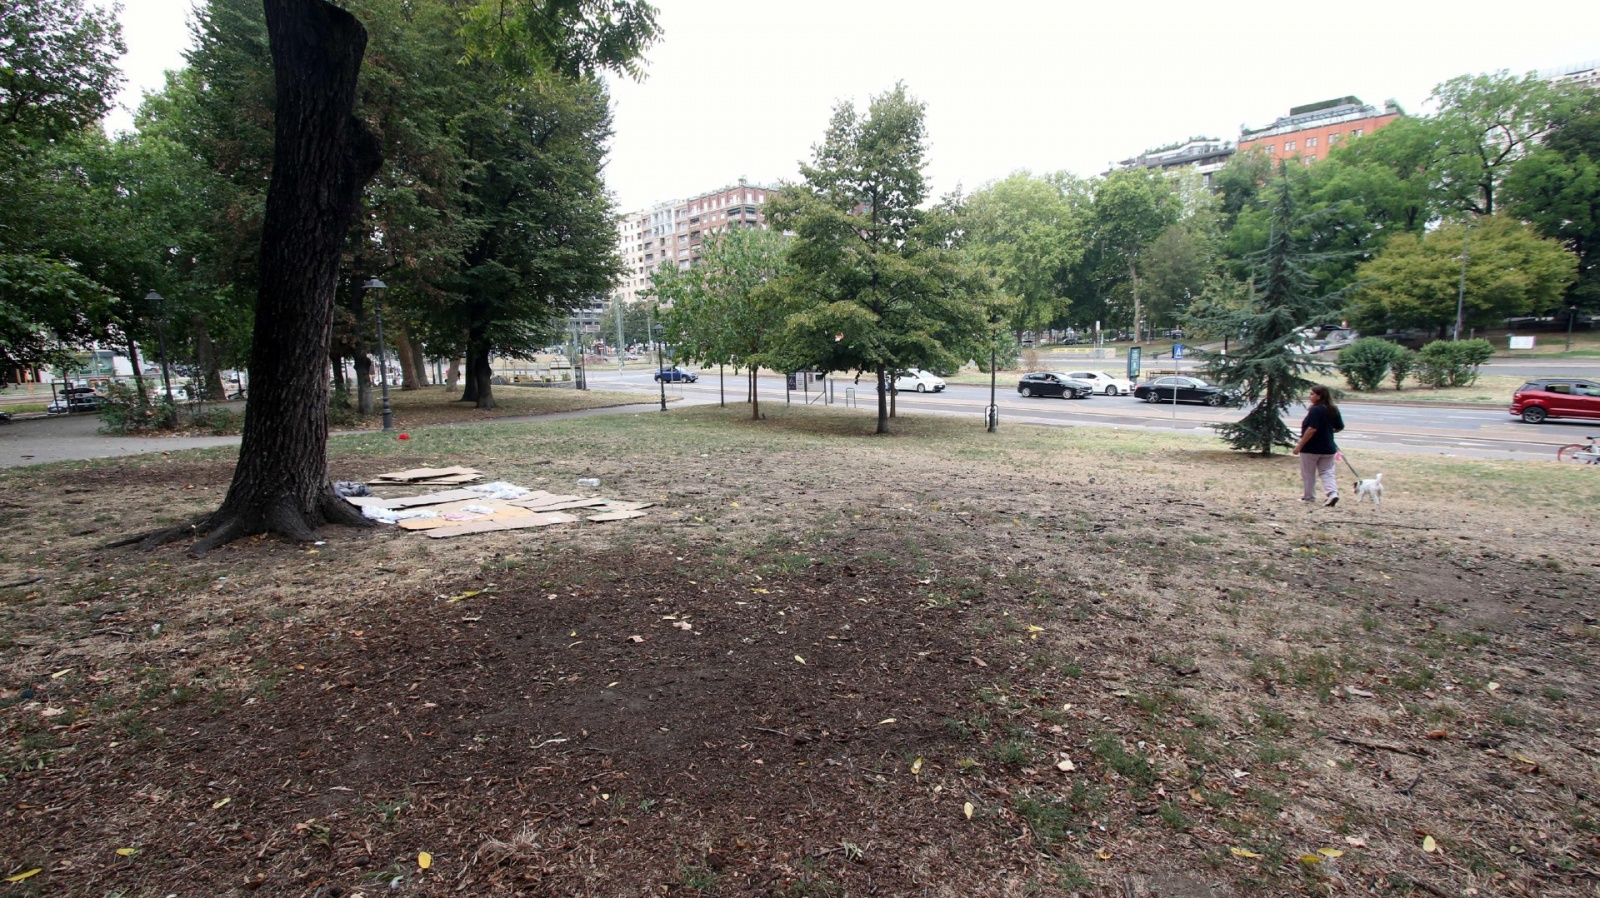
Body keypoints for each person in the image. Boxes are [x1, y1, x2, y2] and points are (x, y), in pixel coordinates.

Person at [1293, 384, 1344, 506]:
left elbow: (1311, 429)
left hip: (1311, 448)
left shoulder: (1316, 410)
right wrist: (1327, 431)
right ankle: (1332, 493)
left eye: (1312, 394)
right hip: (1328, 448)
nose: (1309, 396)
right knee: (1327, 472)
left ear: (1319, 396)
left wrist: (1299, 446)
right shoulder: (1333, 409)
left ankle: (1309, 497)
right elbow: (1339, 427)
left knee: (1308, 472)